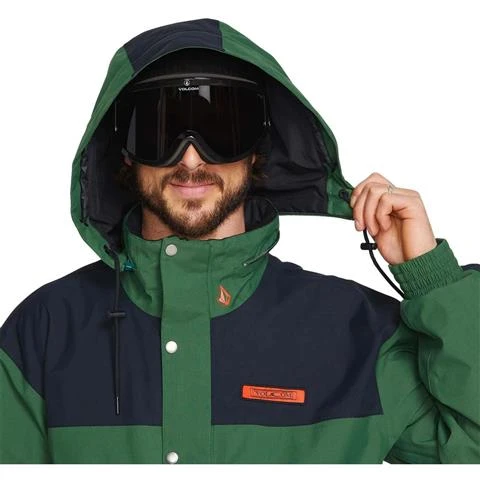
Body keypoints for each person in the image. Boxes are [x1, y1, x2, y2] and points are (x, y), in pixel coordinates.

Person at [0, 17, 478, 464]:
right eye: (161, 130)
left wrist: (431, 278)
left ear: (257, 149)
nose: (190, 159)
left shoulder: (361, 336)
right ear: (124, 151)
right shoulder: (44, 332)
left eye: (219, 129)